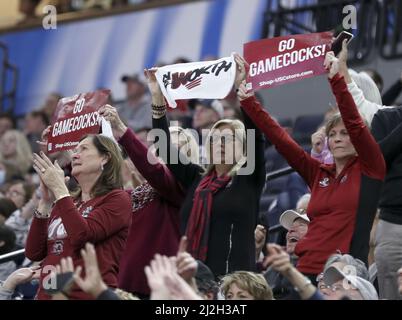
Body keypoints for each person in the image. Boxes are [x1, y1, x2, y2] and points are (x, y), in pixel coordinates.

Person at [237, 49, 385, 281]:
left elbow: (356, 123)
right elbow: (282, 141)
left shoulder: (370, 167)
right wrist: (248, 100)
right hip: (303, 270)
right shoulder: (318, 173)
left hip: (341, 274)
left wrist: (336, 80)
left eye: (344, 134)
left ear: (357, 139)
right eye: (332, 133)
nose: (336, 138)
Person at [150, 54, 266, 277]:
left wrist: (242, 87)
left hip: (234, 288)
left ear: (244, 148)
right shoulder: (197, 178)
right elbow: (162, 144)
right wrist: (157, 96)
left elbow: (256, 135)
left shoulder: (248, 178)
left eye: (228, 139)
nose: (219, 143)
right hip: (194, 284)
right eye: (214, 138)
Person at [99, 102, 193, 297]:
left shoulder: (181, 186)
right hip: (126, 281)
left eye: (173, 147)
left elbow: (154, 171)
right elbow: (108, 197)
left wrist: (122, 130)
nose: (165, 151)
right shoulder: (142, 188)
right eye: (161, 146)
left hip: (157, 285)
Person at [25, 134, 132, 299]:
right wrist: (45, 203)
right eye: (75, 150)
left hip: (87, 295)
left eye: (84, 149)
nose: (74, 154)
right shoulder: (68, 202)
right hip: (48, 294)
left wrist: (60, 190)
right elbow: (34, 252)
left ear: (105, 158)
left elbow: (81, 235)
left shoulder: (118, 199)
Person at [264, 208, 310, 299]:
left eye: (301, 225)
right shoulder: (279, 264)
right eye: (290, 227)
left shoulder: (320, 267)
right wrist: (256, 250)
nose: (290, 230)